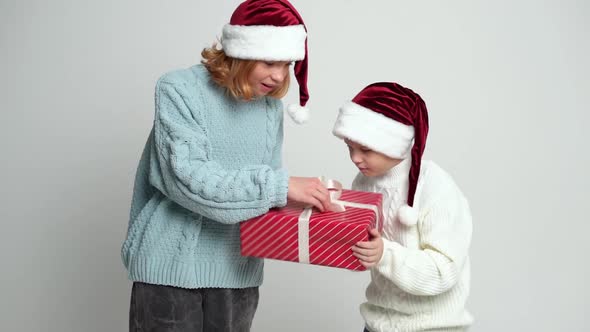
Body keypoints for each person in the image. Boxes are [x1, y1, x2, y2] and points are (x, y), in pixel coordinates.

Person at [121, 1, 331, 331]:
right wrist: (280, 187)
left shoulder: (269, 110)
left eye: (287, 64)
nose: (279, 76)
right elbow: (187, 180)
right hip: (170, 273)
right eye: (269, 61)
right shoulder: (178, 89)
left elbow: (261, 198)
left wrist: (321, 211)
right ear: (240, 52)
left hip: (238, 274)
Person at [332, 82, 474, 331]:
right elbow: (363, 252)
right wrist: (333, 214)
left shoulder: (435, 187)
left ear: (393, 143)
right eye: (349, 147)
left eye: (365, 149)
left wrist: (385, 253)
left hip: (432, 327)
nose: (355, 158)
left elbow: (444, 272)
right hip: (378, 323)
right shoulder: (363, 183)